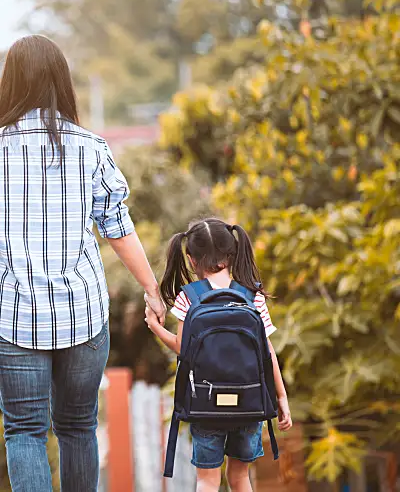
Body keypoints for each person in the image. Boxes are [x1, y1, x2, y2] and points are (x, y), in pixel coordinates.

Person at [0, 35, 166, 492]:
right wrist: (153, 290)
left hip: (13, 316)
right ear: (62, 83)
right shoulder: (90, 148)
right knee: (77, 429)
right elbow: (119, 229)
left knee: (25, 431)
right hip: (83, 315)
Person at [145, 218, 292, 492]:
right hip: (249, 404)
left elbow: (181, 347)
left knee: (207, 481)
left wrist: (155, 327)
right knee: (240, 479)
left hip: (205, 406)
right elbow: (267, 351)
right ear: (232, 253)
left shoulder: (189, 296)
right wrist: (281, 397)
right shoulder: (252, 295)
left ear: (190, 260)